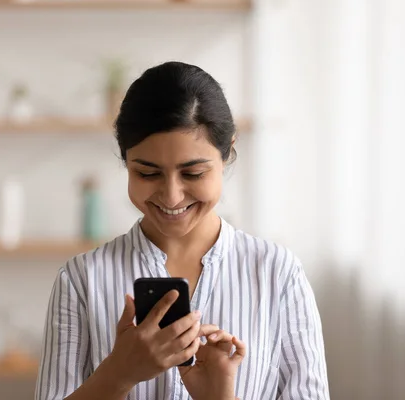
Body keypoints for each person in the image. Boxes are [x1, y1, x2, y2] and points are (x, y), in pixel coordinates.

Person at [35, 61, 330, 400]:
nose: (172, 196)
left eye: (192, 174)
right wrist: (118, 373)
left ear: (228, 151)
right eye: (147, 173)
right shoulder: (81, 280)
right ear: (125, 161)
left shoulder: (278, 274)